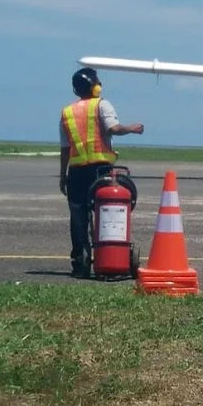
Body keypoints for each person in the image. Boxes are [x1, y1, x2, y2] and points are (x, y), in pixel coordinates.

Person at [59, 67, 143, 278]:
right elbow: (113, 128)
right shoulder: (102, 105)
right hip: (100, 170)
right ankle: (111, 255)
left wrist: (63, 175)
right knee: (108, 212)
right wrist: (132, 128)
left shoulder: (67, 112)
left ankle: (81, 260)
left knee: (78, 217)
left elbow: (65, 148)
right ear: (94, 86)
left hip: (76, 171)